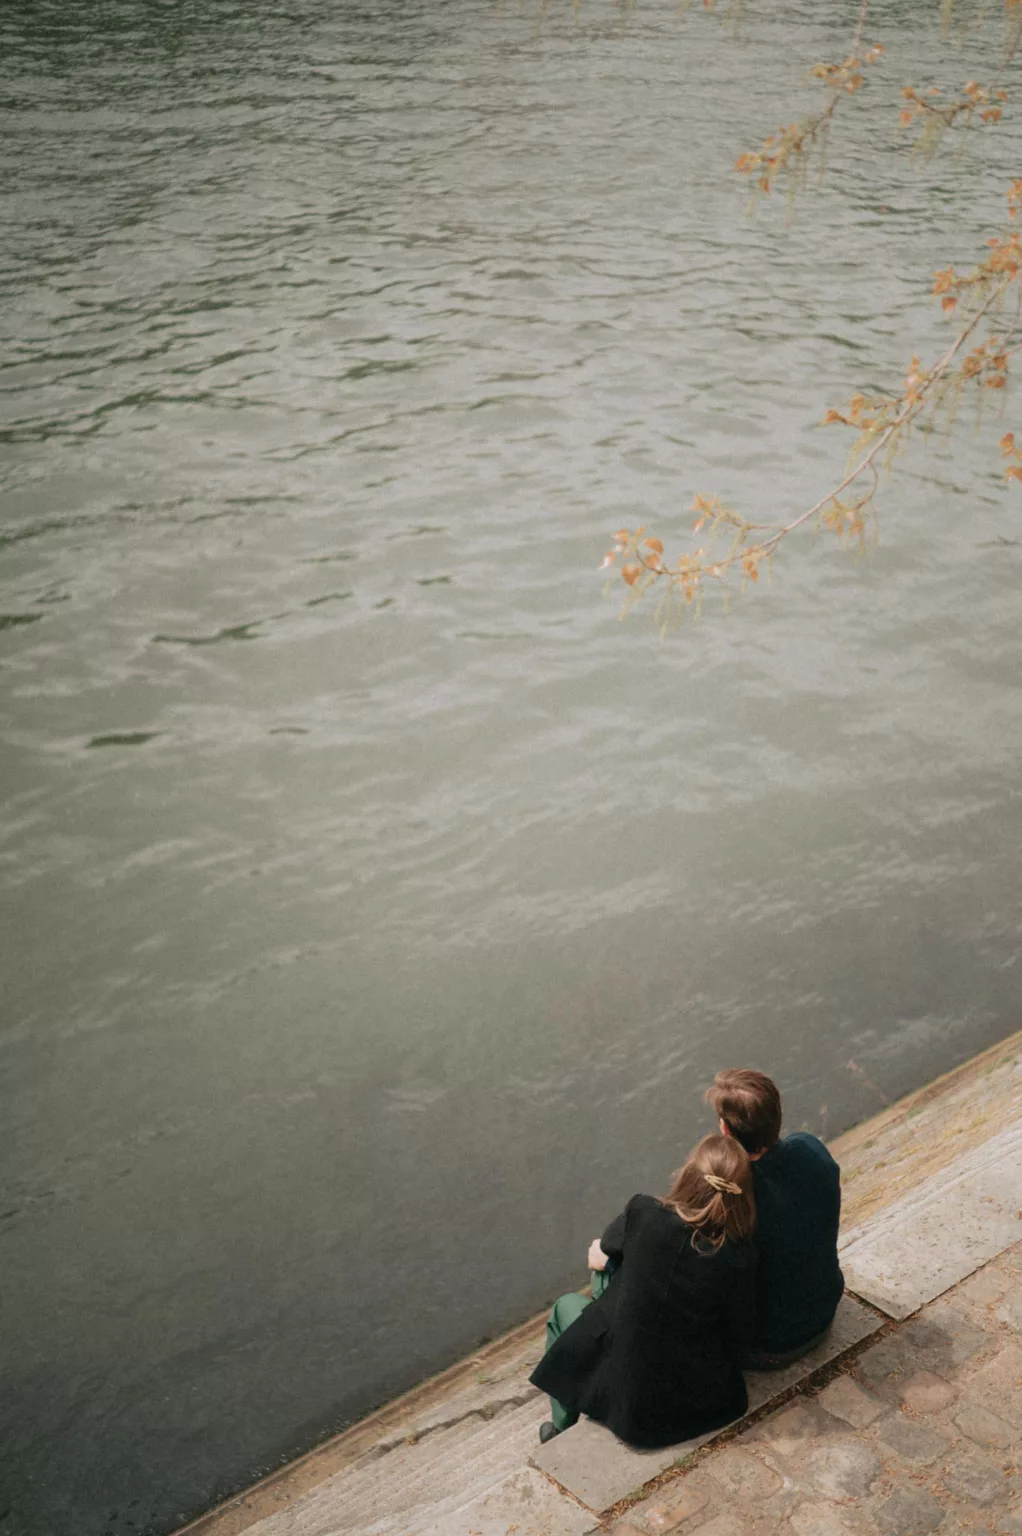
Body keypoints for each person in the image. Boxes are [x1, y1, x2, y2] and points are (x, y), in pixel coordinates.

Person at [529, 1135, 757, 1449]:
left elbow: (606, 1247)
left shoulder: (645, 1213)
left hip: (633, 1411)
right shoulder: (738, 1256)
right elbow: (738, 1329)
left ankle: (561, 1428)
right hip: (702, 1404)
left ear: (688, 1176)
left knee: (567, 1306)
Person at [705, 1068, 843, 1369]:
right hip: (825, 1310)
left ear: (726, 1130)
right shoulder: (812, 1150)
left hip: (771, 1347)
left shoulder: (730, 1200)